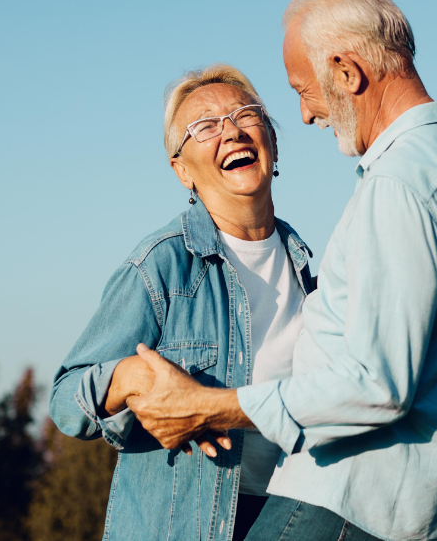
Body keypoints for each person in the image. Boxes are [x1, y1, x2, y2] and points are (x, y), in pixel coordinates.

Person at [127, 0, 437, 541]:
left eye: (304, 89)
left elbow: (377, 386)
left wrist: (212, 406)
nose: (305, 114)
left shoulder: (396, 182)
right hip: (429, 512)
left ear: (348, 73)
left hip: (341, 502)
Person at [49, 64, 315, 540]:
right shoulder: (161, 265)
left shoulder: (309, 268)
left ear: (272, 142)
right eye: (205, 126)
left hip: (287, 518)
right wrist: (129, 377)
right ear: (182, 170)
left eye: (245, 114)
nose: (231, 130)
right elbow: (66, 400)